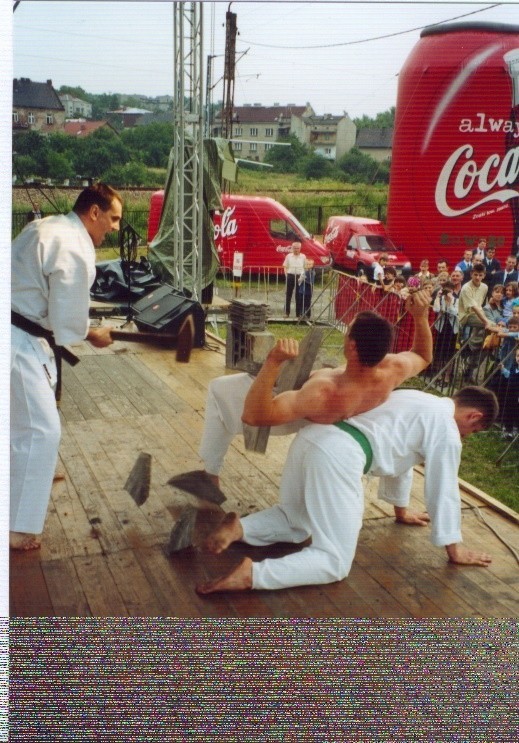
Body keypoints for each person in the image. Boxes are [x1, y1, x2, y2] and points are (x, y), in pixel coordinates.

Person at [196, 386, 498, 594]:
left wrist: (401, 510)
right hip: (340, 455)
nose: (465, 437)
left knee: (295, 521)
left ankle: (240, 528)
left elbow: (402, 460)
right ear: (475, 417)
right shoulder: (445, 427)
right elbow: (443, 487)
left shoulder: (417, 399)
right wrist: (454, 548)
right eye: (471, 432)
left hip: (312, 439)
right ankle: (254, 575)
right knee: (333, 561)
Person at [198, 290, 433, 487]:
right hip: (321, 405)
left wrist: (274, 361)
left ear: (352, 347)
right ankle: (211, 470)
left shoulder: (323, 392)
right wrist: (420, 317)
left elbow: (254, 416)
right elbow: (423, 355)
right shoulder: (391, 370)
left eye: (347, 331)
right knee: (222, 395)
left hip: (295, 413)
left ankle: (210, 473)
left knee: (218, 389)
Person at [11, 183, 123, 551]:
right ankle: (16, 528)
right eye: (113, 218)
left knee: (21, 427)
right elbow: (67, 319)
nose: (115, 227)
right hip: (18, 339)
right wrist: (92, 333)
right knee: (43, 430)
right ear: (94, 212)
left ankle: (23, 487)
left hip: (21, 333)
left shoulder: (45, 226)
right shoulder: (74, 245)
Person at [432, 280, 459, 372]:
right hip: (441, 327)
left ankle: (447, 375)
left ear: (453, 291)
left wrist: (450, 301)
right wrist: (437, 297)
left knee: (449, 353)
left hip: (451, 329)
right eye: (446, 290)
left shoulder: (456, 300)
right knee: (439, 352)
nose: (447, 293)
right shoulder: (440, 299)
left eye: (450, 291)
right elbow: (436, 309)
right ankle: (439, 374)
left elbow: (454, 312)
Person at [283, 241, 306, 318]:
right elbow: (285, 266)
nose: (296, 250)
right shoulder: (288, 256)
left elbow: (305, 267)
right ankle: (287, 313)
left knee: (298, 295)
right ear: (292, 248)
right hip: (290, 276)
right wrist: (286, 274)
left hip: (300, 276)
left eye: (298, 248)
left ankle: (298, 314)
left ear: (300, 248)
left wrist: (303, 275)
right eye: (295, 248)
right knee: (288, 294)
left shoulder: (303, 256)